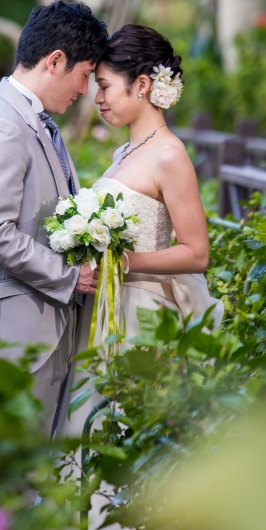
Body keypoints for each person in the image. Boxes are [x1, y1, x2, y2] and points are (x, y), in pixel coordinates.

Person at [0, 0, 109, 439]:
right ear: (55, 61)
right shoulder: (3, 126)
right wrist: (67, 275)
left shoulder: (35, 122)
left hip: (39, 334)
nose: (84, 91)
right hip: (10, 341)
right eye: (84, 76)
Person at [90, 23, 223, 338]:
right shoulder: (124, 150)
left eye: (104, 86)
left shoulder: (169, 156)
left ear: (141, 84)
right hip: (107, 304)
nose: (97, 98)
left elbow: (196, 252)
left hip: (141, 311)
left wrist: (125, 261)